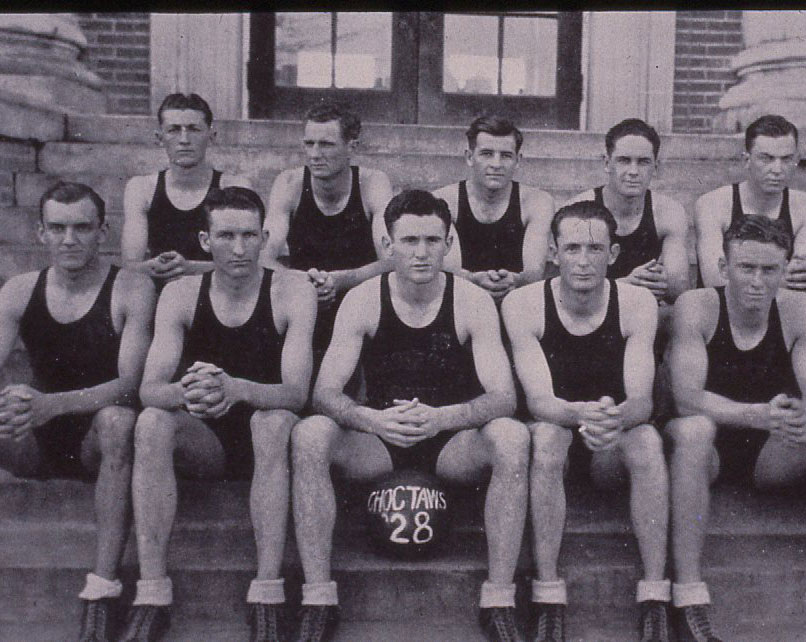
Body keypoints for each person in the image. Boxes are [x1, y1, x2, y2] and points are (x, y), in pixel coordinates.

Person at [291, 190, 530, 642]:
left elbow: (504, 397)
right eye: (409, 241)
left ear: (449, 242)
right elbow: (323, 393)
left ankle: (499, 597)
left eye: (431, 240)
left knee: (512, 437)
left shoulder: (473, 300)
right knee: (310, 434)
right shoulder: (362, 299)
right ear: (387, 245)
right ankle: (318, 597)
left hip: (449, 443)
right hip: (378, 440)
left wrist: (443, 418)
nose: (421, 253)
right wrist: (371, 419)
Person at [666, 215, 806, 641]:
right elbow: (686, 397)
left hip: (769, 446)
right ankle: (688, 593)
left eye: (769, 270)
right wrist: (755, 414)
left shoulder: (798, 309)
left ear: (785, 271)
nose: (757, 281)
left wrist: (802, 415)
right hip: (706, 445)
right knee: (693, 430)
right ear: (723, 266)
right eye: (746, 268)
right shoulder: (697, 306)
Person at [120, 187, 316, 641]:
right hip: (206, 439)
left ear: (266, 237)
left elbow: (298, 393)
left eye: (250, 235)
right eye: (226, 235)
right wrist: (193, 391)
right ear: (205, 241)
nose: (241, 248)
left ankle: (267, 589)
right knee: (150, 422)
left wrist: (237, 388)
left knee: (270, 422)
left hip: (269, 435)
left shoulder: (291, 290)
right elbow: (150, 390)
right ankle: (152, 591)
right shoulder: (182, 292)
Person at [502, 201, 670, 641]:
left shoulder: (636, 302)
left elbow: (641, 399)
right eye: (572, 247)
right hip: (555, 430)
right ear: (554, 252)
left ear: (614, 255)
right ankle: (547, 590)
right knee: (549, 436)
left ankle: (655, 594)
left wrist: (612, 417)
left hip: (608, 442)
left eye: (595, 248)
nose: (582, 259)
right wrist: (584, 413)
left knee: (648, 440)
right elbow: (539, 399)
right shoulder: (524, 303)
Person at [0, 182, 154, 641]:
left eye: (82, 227)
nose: (70, 239)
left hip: (101, 442)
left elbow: (131, 386)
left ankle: (102, 588)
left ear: (103, 231)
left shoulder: (132, 288)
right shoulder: (19, 290)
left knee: (119, 420)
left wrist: (53, 405)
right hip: (36, 437)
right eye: (58, 228)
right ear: (41, 232)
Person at [260, 104, 393, 380]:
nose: (315, 154)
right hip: (301, 293)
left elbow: (392, 257)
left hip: (358, 293)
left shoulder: (372, 184)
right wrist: (303, 283)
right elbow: (263, 256)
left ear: (351, 147)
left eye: (326, 145)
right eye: (309, 144)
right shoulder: (290, 183)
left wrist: (340, 280)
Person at [122, 92, 251, 289]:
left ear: (212, 136)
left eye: (194, 129)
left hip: (220, 293)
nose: (184, 139)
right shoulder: (142, 189)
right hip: (161, 294)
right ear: (159, 137)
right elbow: (131, 265)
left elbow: (246, 264)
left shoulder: (233, 186)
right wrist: (156, 266)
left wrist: (189, 268)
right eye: (174, 130)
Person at [694, 114, 806, 294]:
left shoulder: (805, 206)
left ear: (797, 160)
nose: (777, 169)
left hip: (780, 307)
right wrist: (784, 278)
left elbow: (804, 276)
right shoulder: (713, 204)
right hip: (722, 310)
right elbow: (715, 279)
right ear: (746, 160)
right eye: (767, 158)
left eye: (786, 159)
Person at [433, 115, 555, 302]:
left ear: (518, 160)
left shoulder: (537, 202)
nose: (496, 164)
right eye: (487, 154)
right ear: (469, 157)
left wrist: (514, 279)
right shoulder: (444, 200)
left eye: (506, 156)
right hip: (460, 300)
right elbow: (451, 272)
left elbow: (533, 273)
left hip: (518, 299)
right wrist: (474, 279)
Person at [567, 118, 689, 304]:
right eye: (624, 161)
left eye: (643, 162)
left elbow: (678, 287)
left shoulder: (668, 212)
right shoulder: (578, 210)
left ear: (655, 168)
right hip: (590, 309)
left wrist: (661, 281)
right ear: (607, 163)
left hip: (644, 308)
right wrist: (625, 285)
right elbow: (567, 290)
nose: (633, 171)